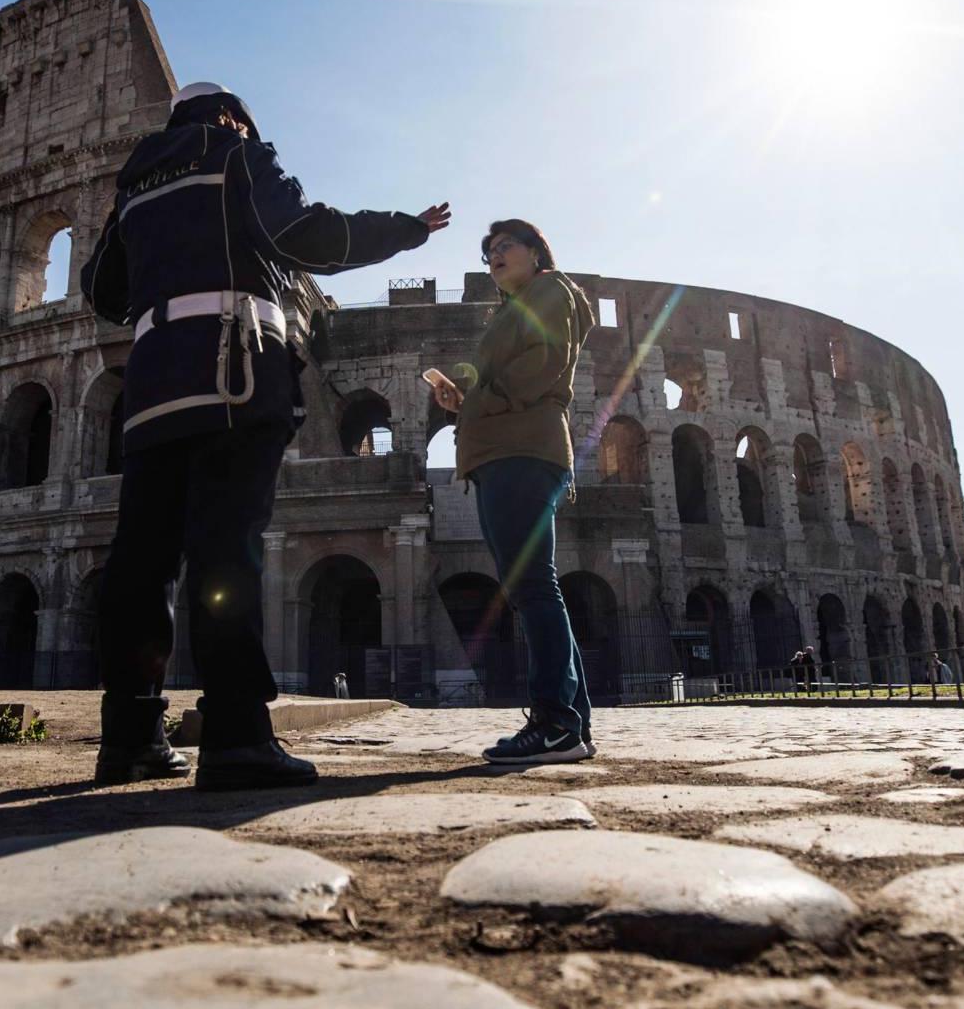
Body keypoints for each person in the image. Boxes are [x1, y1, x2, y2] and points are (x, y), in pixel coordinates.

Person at [81, 81, 450, 791]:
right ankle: (236, 735)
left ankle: (129, 735)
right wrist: (403, 228)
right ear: (232, 117)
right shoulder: (237, 155)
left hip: (153, 385)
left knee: (141, 560)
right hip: (233, 372)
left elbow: (104, 288)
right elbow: (306, 233)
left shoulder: (133, 186)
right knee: (227, 553)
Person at [431, 219, 595, 764]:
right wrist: (463, 401)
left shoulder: (548, 291)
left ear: (535, 251)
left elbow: (540, 368)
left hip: (521, 452)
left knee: (531, 587)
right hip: (507, 452)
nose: (495, 257)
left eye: (505, 247)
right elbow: (506, 382)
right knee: (534, 585)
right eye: (489, 253)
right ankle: (572, 724)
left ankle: (554, 721)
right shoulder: (513, 307)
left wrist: (474, 403)